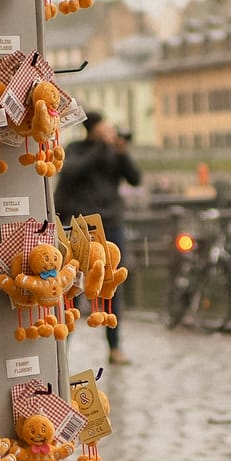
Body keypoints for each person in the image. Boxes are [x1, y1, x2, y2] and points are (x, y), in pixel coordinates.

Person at [53, 111, 142, 365]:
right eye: (104, 129)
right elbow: (70, 172)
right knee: (74, 286)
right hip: (82, 228)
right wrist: (98, 147)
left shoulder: (114, 152)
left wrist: (121, 152)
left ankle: (115, 347)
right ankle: (63, 349)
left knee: (111, 285)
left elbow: (135, 178)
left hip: (111, 225)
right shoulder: (77, 149)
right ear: (93, 130)